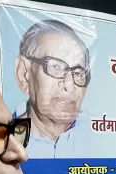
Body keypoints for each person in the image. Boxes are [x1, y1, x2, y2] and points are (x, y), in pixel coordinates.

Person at [13, 20, 93, 158]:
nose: (69, 85)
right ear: (24, 74)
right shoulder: (1, 142)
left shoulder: (99, 137)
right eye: (56, 67)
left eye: (78, 73)